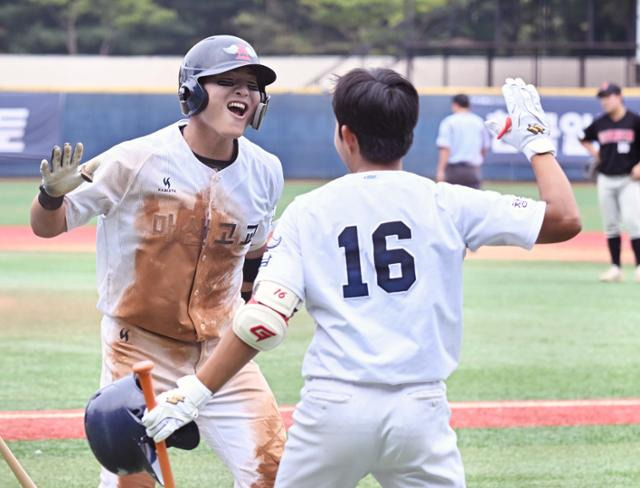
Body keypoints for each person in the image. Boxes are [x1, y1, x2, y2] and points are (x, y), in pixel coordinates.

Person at [141, 74, 581, 487]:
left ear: (346, 135)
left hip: (334, 410)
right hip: (420, 411)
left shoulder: (309, 211)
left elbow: (263, 321)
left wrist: (195, 393)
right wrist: (536, 142)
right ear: (409, 134)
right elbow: (564, 219)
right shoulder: (446, 202)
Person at [30, 35, 286, 487]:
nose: (243, 93)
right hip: (138, 349)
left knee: (275, 471)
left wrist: (248, 309)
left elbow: (256, 253)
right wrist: (51, 195)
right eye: (227, 82)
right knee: (134, 483)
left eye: (251, 85)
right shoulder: (135, 160)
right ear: (194, 92)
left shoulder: (265, 170)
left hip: (222, 350)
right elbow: (47, 226)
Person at [580, 82, 640, 283]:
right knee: (611, 225)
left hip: (629, 180)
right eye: (602, 97)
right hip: (606, 178)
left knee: (634, 223)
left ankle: (639, 267)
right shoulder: (600, 123)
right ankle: (615, 268)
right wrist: (597, 155)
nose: (605, 101)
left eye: (608, 96)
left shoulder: (634, 121)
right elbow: (584, 138)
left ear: (619, 96)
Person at [436, 93, 490, 188]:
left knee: (451, 201)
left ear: (455, 105)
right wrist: (477, 164)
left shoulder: (449, 122)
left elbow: (445, 148)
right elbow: (484, 148)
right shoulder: (478, 121)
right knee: (474, 201)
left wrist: (440, 170)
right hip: (472, 171)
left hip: (453, 171)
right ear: (469, 106)